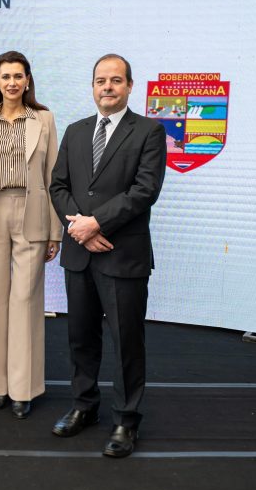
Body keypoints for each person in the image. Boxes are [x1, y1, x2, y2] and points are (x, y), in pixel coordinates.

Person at [48, 54, 167, 458]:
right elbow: (58, 186)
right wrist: (78, 229)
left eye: (116, 80)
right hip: (79, 253)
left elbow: (145, 190)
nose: (107, 87)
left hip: (122, 255)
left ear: (130, 86)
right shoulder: (76, 131)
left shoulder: (149, 131)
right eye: (101, 81)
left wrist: (96, 223)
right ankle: (84, 406)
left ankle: (126, 420)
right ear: (93, 87)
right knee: (81, 338)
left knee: (126, 342)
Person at [0, 51, 62, 419]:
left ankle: (23, 389)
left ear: (28, 80)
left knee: (25, 300)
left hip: (33, 210)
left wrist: (56, 231)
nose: (12, 83)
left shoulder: (45, 119)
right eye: (5, 77)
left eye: (18, 76)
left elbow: (53, 176)